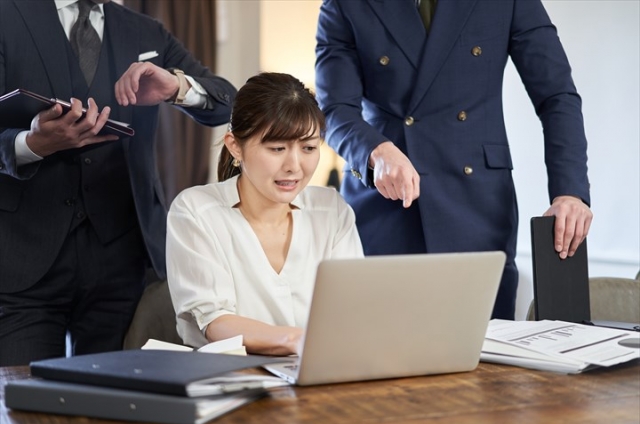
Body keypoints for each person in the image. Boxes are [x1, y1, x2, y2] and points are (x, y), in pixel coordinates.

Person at [314, 0, 593, 319]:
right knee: (384, 352)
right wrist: (375, 150)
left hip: (476, 206)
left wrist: (569, 192)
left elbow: (556, 96)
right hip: (388, 203)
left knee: (483, 355)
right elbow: (334, 109)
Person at [0, 0, 236, 366]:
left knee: (115, 409)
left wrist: (177, 86)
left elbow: (228, 101)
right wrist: (30, 145)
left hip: (123, 263)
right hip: (23, 262)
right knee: (22, 412)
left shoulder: (146, 31)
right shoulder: (7, 16)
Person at [166, 72, 364, 356]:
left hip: (319, 375)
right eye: (277, 148)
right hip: (229, 380)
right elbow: (214, 321)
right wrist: (295, 340)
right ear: (235, 146)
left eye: (308, 148)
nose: (294, 166)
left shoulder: (331, 210)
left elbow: (353, 309)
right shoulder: (196, 211)